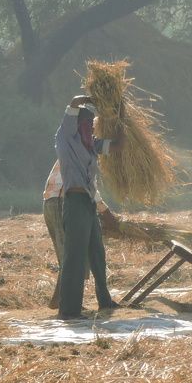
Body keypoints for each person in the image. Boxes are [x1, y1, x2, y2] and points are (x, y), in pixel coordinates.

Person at [54, 94, 123, 319]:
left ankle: (105, 300)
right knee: (75, 257)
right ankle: (69, 310)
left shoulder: (91, 145)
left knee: (97, 252)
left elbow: (118, 146)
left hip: (89, 203)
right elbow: (73, 103)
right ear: (78, 124)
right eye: (87, 123)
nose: (91, 127)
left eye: (92, 124)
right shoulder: (66, 138)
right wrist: (89, 97)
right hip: (74, 203)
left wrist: (122, 115)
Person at [42, 159, 119, 308]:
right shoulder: (81, 151)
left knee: (70, 256)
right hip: (61, 201)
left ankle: (59, 300)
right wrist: (104, 211)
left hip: (57, 201)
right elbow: (89, 186)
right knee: (70, 256)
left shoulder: (78, 148)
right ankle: (65, 303)